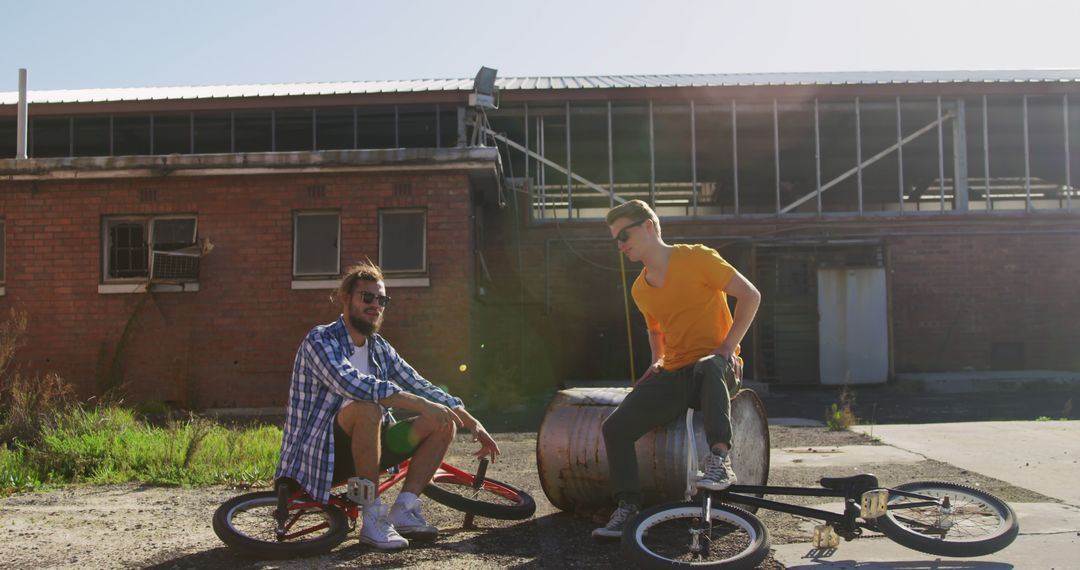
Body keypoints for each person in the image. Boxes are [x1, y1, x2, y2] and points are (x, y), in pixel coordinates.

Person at [275, 260, 500, 550]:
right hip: (318, 457)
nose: (375, 305)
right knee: (368, 406)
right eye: (367, 297)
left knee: (442, 420)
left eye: (381, 299)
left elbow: (419, 384)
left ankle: (405, 510)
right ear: (346, 298)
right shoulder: (320, 339)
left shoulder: (379, 348)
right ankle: (372, 518)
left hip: (367, 449)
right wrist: (419, 403)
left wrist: (471, 421)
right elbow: (352, 384)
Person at [592, 200, 762, 539]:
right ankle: (628, 507)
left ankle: (719, 460)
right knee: (615, 428)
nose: (620, 244)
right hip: (676, 372)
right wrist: (657, 360)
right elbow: (656, 329)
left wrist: (727, 348)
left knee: (708, 365)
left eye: (624, 234)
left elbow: (750, 295)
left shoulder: (697, 258)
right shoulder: (640, 288)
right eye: (615, 239)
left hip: (718, 368)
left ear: (648, 227)